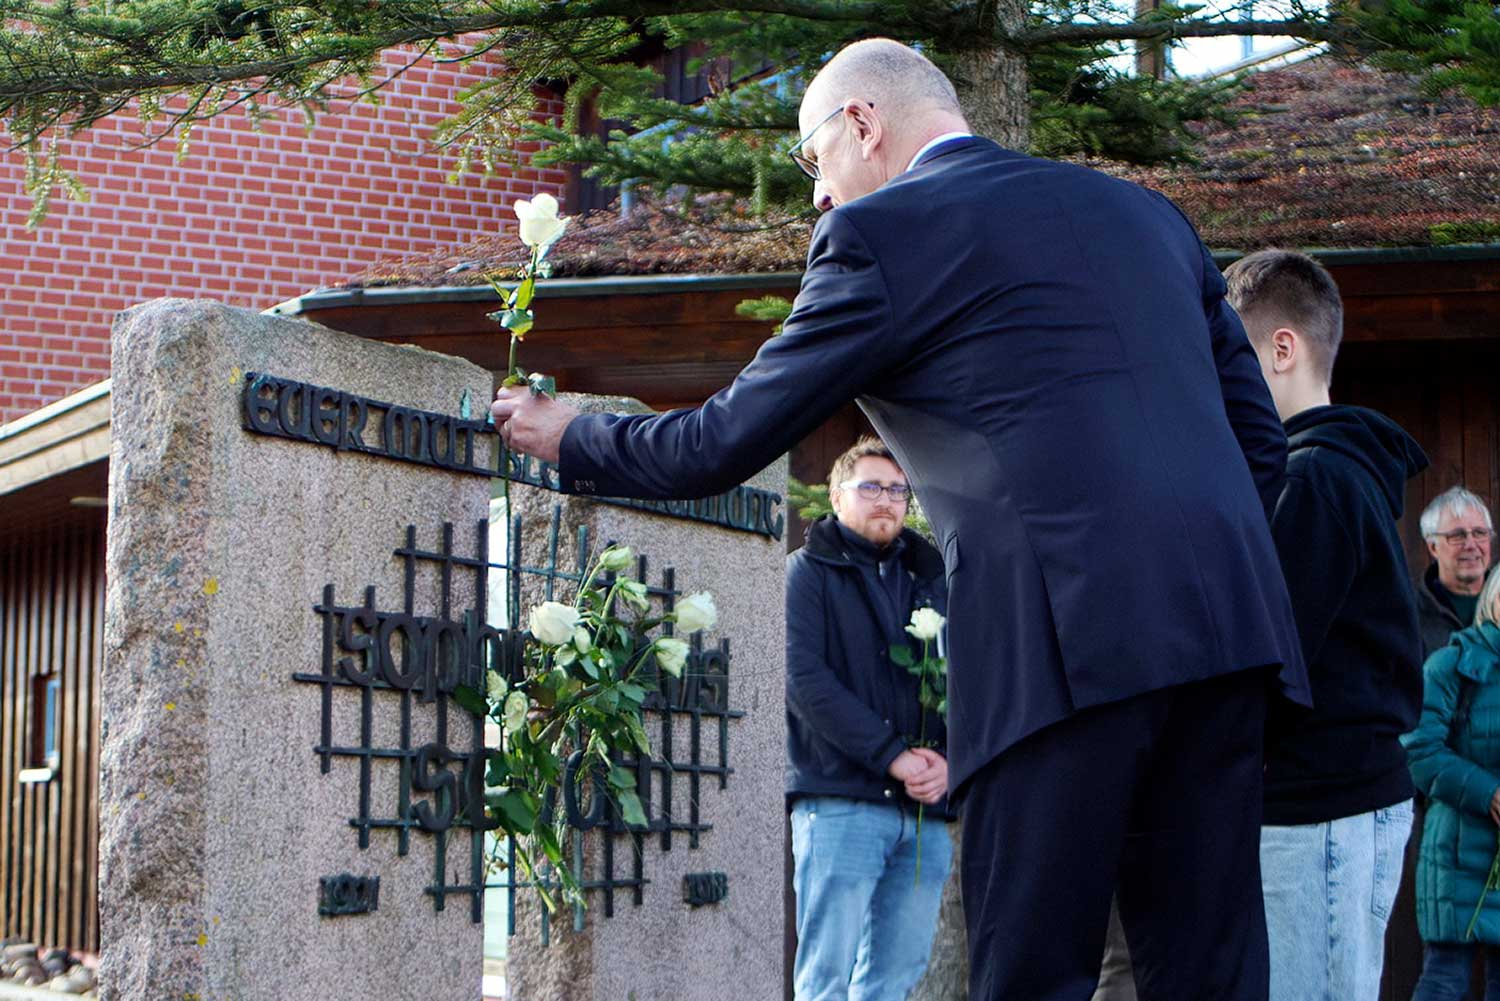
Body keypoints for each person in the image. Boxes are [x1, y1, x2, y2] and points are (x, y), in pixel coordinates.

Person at [492, 37, 1309, 1001]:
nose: (817, 194)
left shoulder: (881, 235)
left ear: (863, 123)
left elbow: (722, 439)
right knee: (1212, 975)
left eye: (813, 159)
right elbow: (1260, 442)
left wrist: (573, 434)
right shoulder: (1146, 214)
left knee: (1032, 973)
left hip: (1059, 645)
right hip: (1229, 636)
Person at [1224, 248, 1427, 999]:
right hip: (1321, 810)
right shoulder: (1320, 472)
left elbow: (1273, 660)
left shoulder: (1315, 478)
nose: (1218, 384)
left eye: (1229, 359)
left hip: (1321, 812)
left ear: (1282, 350)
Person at [785, 436, 953, 1001]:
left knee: (895, 979)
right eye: (872, 487)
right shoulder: (805, 574)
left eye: (898, 491)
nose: (886, 500)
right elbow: (803, 680)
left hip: (924, 812)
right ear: (837, 497)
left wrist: (948, 762)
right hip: (841, 801)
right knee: (826, 978)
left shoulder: (932, 581)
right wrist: (893, 756)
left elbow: (968, 678)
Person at [1403, 568, 1500, 1000]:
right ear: (1492, 599)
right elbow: (1419, 751)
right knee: (1444, 980)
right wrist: (1488, 792)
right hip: (1457, 853)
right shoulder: (1450, 664)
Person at [1418, 487, 1494, 658]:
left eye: (1479, 533)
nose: (1471, 545)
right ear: (1433, 547)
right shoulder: (1409, 613)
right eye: (1457, 536)